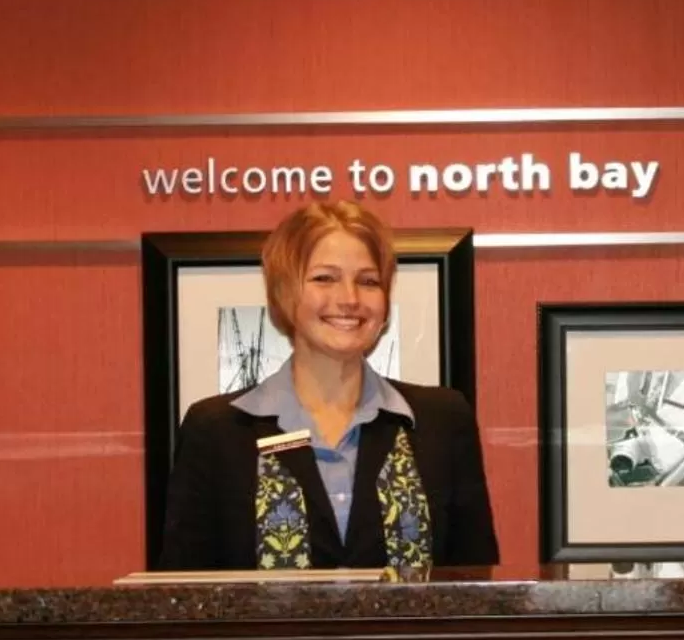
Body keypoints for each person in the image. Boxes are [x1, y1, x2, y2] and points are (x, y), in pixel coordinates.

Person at [159, 201, 499, 572]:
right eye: (325, 278)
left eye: (368, 281)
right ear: (284, 292)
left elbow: (473, 588)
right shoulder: (216, 430)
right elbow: (185, 599)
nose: (349, 299)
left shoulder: (442, 421)